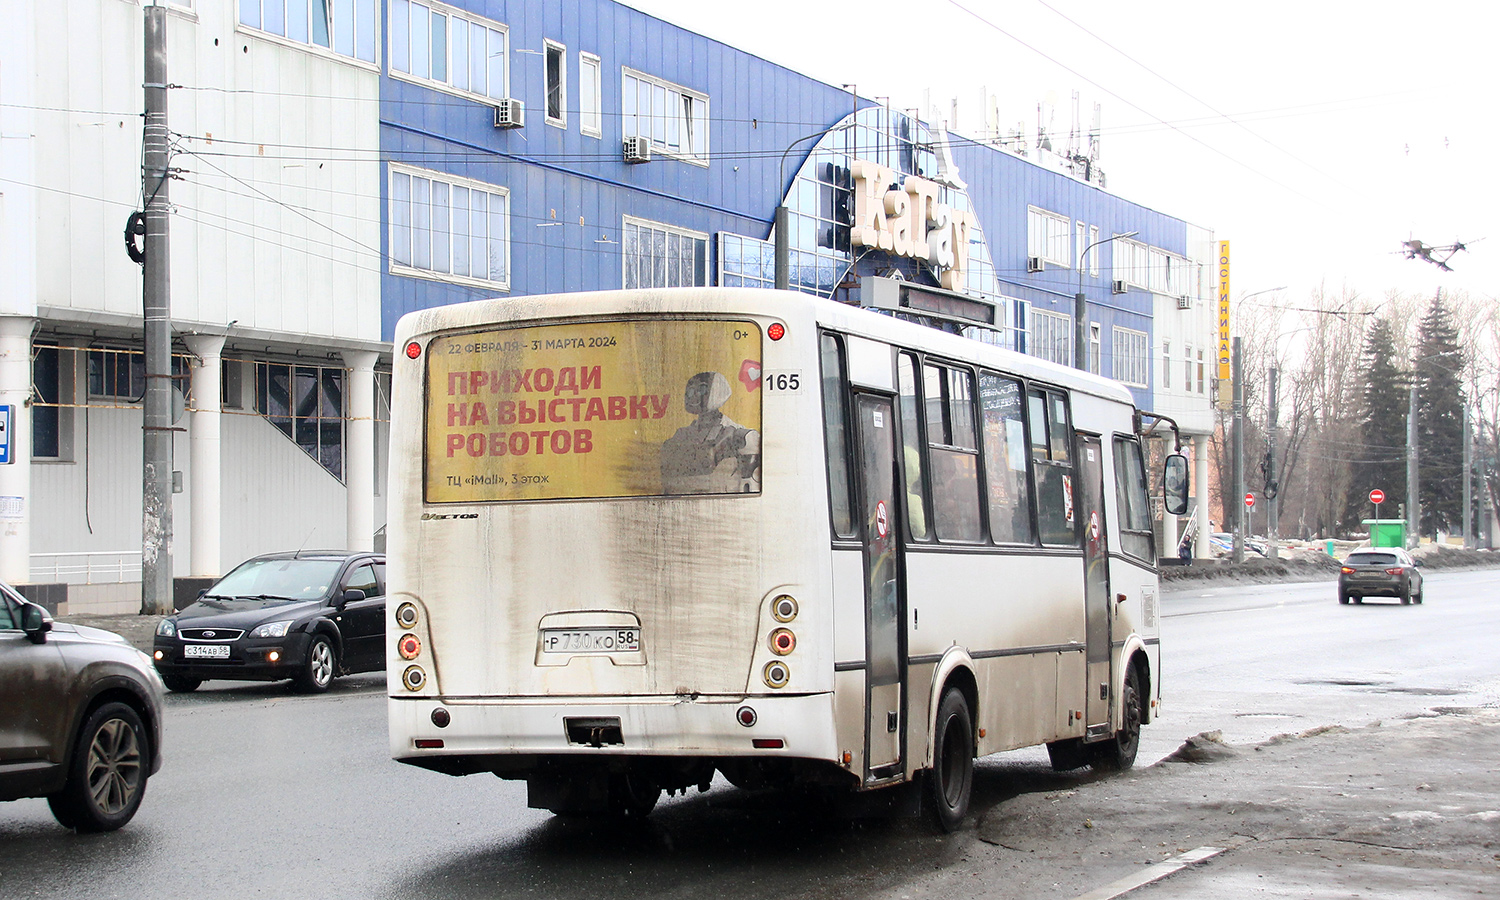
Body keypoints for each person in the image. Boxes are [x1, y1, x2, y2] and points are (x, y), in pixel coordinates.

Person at [659, 372, 761, 494]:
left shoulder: (736, 433)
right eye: (691, 392)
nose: (695, 396)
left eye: (702, 390)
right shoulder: (683, 434)